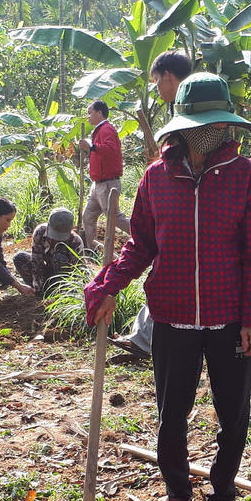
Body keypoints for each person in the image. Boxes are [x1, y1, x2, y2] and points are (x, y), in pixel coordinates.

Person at [85, 72, 251, 501]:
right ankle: (176, 496)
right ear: (185, 128)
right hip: (171, 314)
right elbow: (141, 245)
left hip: (229, 318)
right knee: (172, 414)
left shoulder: (243, 175)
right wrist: (110, 286)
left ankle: (222, 499)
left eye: (218, 124)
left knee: (233, 416)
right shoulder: (156, 177)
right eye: (203, 125)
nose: (213, 133)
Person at [109, 50, 192, 360]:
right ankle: (144, 337)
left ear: (169, 77)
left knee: (165, 270)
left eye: (158, 81)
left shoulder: (190, 110)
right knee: (161, 270)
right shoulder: (183, 108)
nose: (158, 88)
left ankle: (146, 339)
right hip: (177, 200)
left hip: (184, 205)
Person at [79, 100, 132, 249]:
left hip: (107, 183)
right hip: (98, 184)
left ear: (99, 113)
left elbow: (110, 150)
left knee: (114, 217)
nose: (88, 116)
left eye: (90, 113)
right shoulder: (99, 130)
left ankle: (143, 235)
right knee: (88, 216)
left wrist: (92, 146)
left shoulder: (106, 129)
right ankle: (92, 250)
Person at [14, 208, 86, 298]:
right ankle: (37, 291)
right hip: (46, 273)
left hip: (63, 279)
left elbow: (80, 270)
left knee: (59, 258)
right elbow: (36, 261)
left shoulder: (75, 241)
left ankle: (57, 293)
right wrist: (37, 289)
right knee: (20, 258)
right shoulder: (40, 232)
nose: (57, 239)